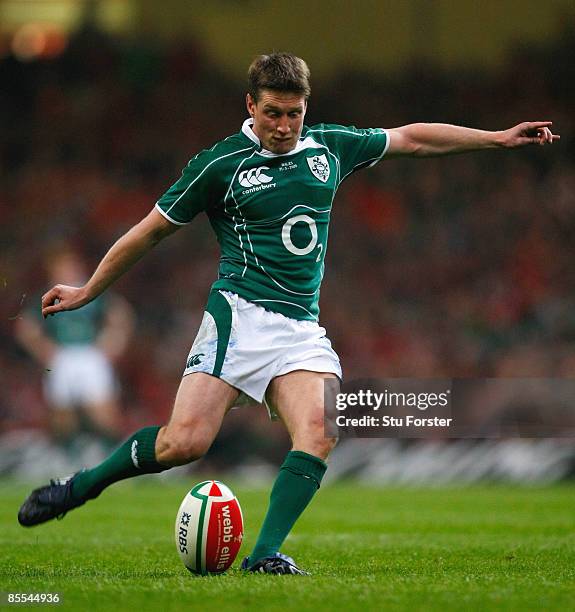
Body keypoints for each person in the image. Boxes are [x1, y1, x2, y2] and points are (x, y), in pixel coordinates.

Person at [18, 53, 559, 575]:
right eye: (272, 112)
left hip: (299, 328)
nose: (283, 126)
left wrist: (496, 137)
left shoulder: (329, 149)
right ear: (250, 106)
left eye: (293, 114)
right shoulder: (220, 164)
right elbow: (152, 230)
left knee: (322, 428)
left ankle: (265, 555)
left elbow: (412, 137)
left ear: (307, 108)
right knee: (183, 444)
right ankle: (82, 486)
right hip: (237, 316)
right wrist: (89, 289)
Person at [15, 247, 134, 448]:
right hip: (62, 356)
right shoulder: (49, 296)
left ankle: (114, 456)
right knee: (62, 414)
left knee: (103, 411)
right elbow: (26, 327)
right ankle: (69, 460)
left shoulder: (90, 291)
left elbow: (120, 315)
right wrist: (43, 349)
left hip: (90, 355)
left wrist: (113, 342)